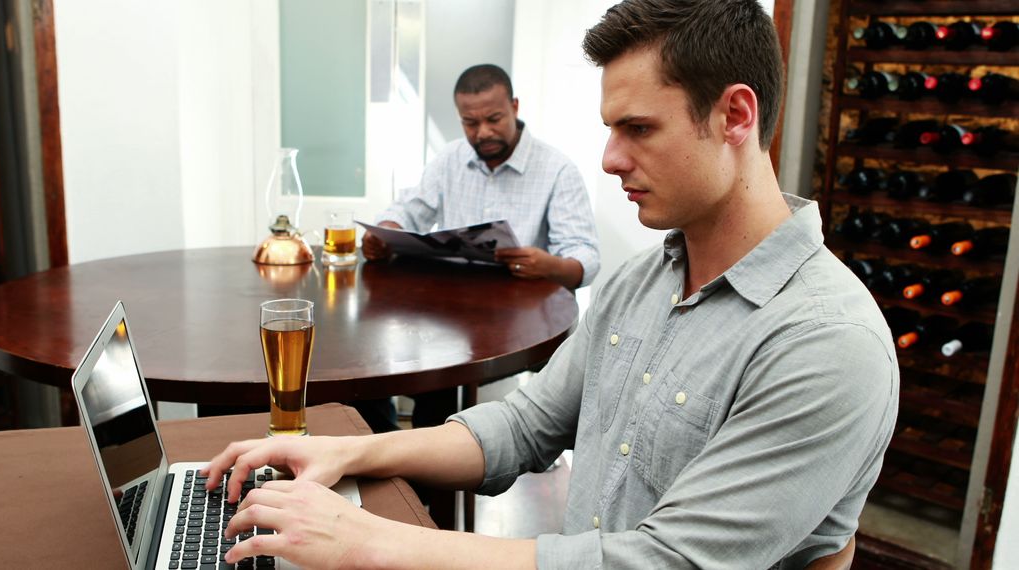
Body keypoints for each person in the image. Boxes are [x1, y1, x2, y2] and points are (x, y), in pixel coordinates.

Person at [202, 0, 899, 567]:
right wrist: (348, 450)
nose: (609, 158)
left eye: (638, 128)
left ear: (735, 116)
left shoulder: (826, 341)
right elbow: (525, 425)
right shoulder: (641, 285)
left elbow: (668, 563)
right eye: (609, 128)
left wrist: (368, 541)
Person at [361, 63, 601, 291]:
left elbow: (585, 257)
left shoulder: (558, 170)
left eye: (494, 119)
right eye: (470, 123)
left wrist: (552, 266)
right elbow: (409, 210)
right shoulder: (450, 158)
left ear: (514, 107)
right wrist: (384, 233)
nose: (483, 132)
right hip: (453, 300)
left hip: (527, 306)